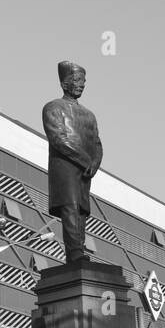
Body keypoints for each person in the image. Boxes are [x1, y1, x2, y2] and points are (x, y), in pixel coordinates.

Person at [42, 60, 103, 264]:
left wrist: (95, 163)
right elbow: (58, 138)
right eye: (77, 80)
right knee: (70, 206)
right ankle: (74, 251)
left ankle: (80, 249)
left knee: (82, 210)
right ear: (64, 83)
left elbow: (97, 143)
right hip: (65, 167)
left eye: (83, 81)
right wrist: (85, 159)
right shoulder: (53, 107)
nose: (81, 84)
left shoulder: (89, 115)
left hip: (85, 171)